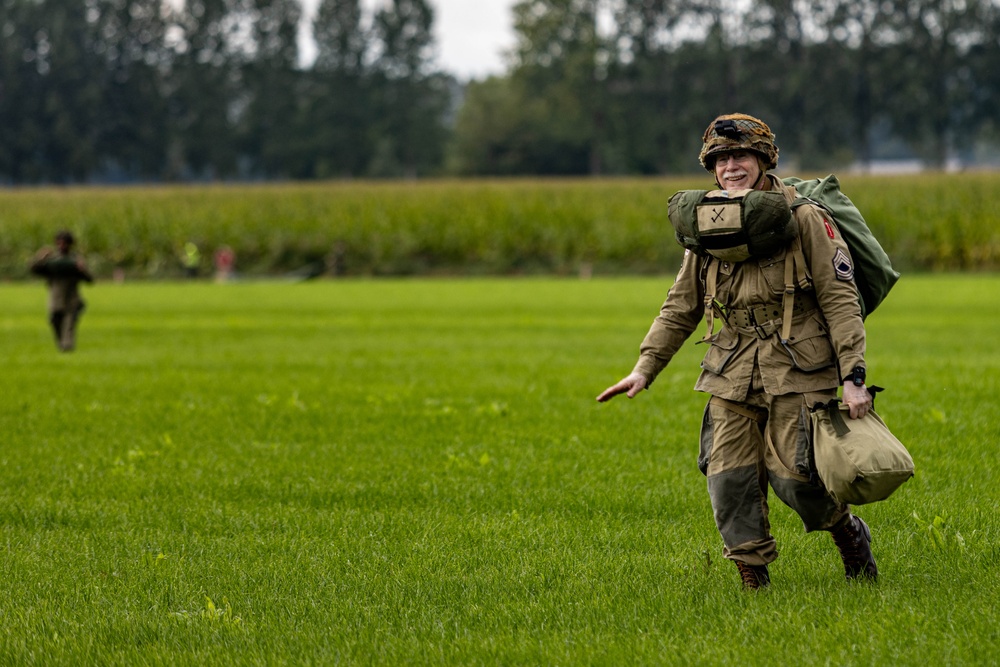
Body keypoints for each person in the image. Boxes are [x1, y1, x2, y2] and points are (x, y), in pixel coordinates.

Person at [597, 113, 878, 590]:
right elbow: (680, 305)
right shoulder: (705, 227)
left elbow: (840, 299)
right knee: (728, 477)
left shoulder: (805, 217)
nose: (731, 167)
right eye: (722, 159)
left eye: (741, 156)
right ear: (711, 167)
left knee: (798, 479)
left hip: (798, 366)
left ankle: (848, 534)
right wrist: (645, 368)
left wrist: (853, 377)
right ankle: (753, 576)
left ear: (764, 159)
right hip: (729, 368)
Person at [30, 230, 94, 352]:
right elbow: (34, 270)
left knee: (69, 324)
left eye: (64, 243)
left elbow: (90, 279)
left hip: (71, 299)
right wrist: (40, 258)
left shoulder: (75, 259)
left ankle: (67, 347)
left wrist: (82, 269)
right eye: (59, 243)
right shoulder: (52, 260)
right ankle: (62, 344)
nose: (62, 246)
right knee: (55, 321)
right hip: (55, 299)